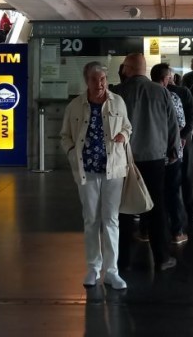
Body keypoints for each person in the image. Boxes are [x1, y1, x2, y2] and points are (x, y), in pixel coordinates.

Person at [61, 61, 132, 289]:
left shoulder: (117, 102)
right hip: (87, 170)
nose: (99, 84)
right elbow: (65, 136)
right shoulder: (75, 106)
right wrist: (72, 152)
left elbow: (128, 127)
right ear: (86, 81)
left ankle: (112, 271)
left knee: (111, 219)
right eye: (94, 79)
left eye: (102, 79)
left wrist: (123, 134)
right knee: (91, 219)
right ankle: (93, 268)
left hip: (114, 169)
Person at [113, 53, 180, 272]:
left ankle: (122, 261)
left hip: (124, 159)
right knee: (156, 208)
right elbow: (172, 125)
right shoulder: (161, 91)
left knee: (122, 210)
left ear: (128, 68)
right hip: (154, 159)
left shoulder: (118, 92)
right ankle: (162, 258)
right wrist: (173, 150)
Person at [151, 63, 189, 245]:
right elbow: (181, 123)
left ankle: (146, 232)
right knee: (173, 193)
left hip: (148, 154)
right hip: (171, 154)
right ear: (165, 79)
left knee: (150, 194)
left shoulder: (143, 96)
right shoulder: (172, 96)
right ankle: (176, 232)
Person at [167, 67, 193, 226]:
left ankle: (168, 214)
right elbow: (192, 116)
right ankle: (192, 212)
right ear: (171, 76)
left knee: (167, 180)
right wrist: (183, 136)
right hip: (184, 141)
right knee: (188, 177)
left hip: (164, 142)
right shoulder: (183, 91)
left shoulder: (156, 91)